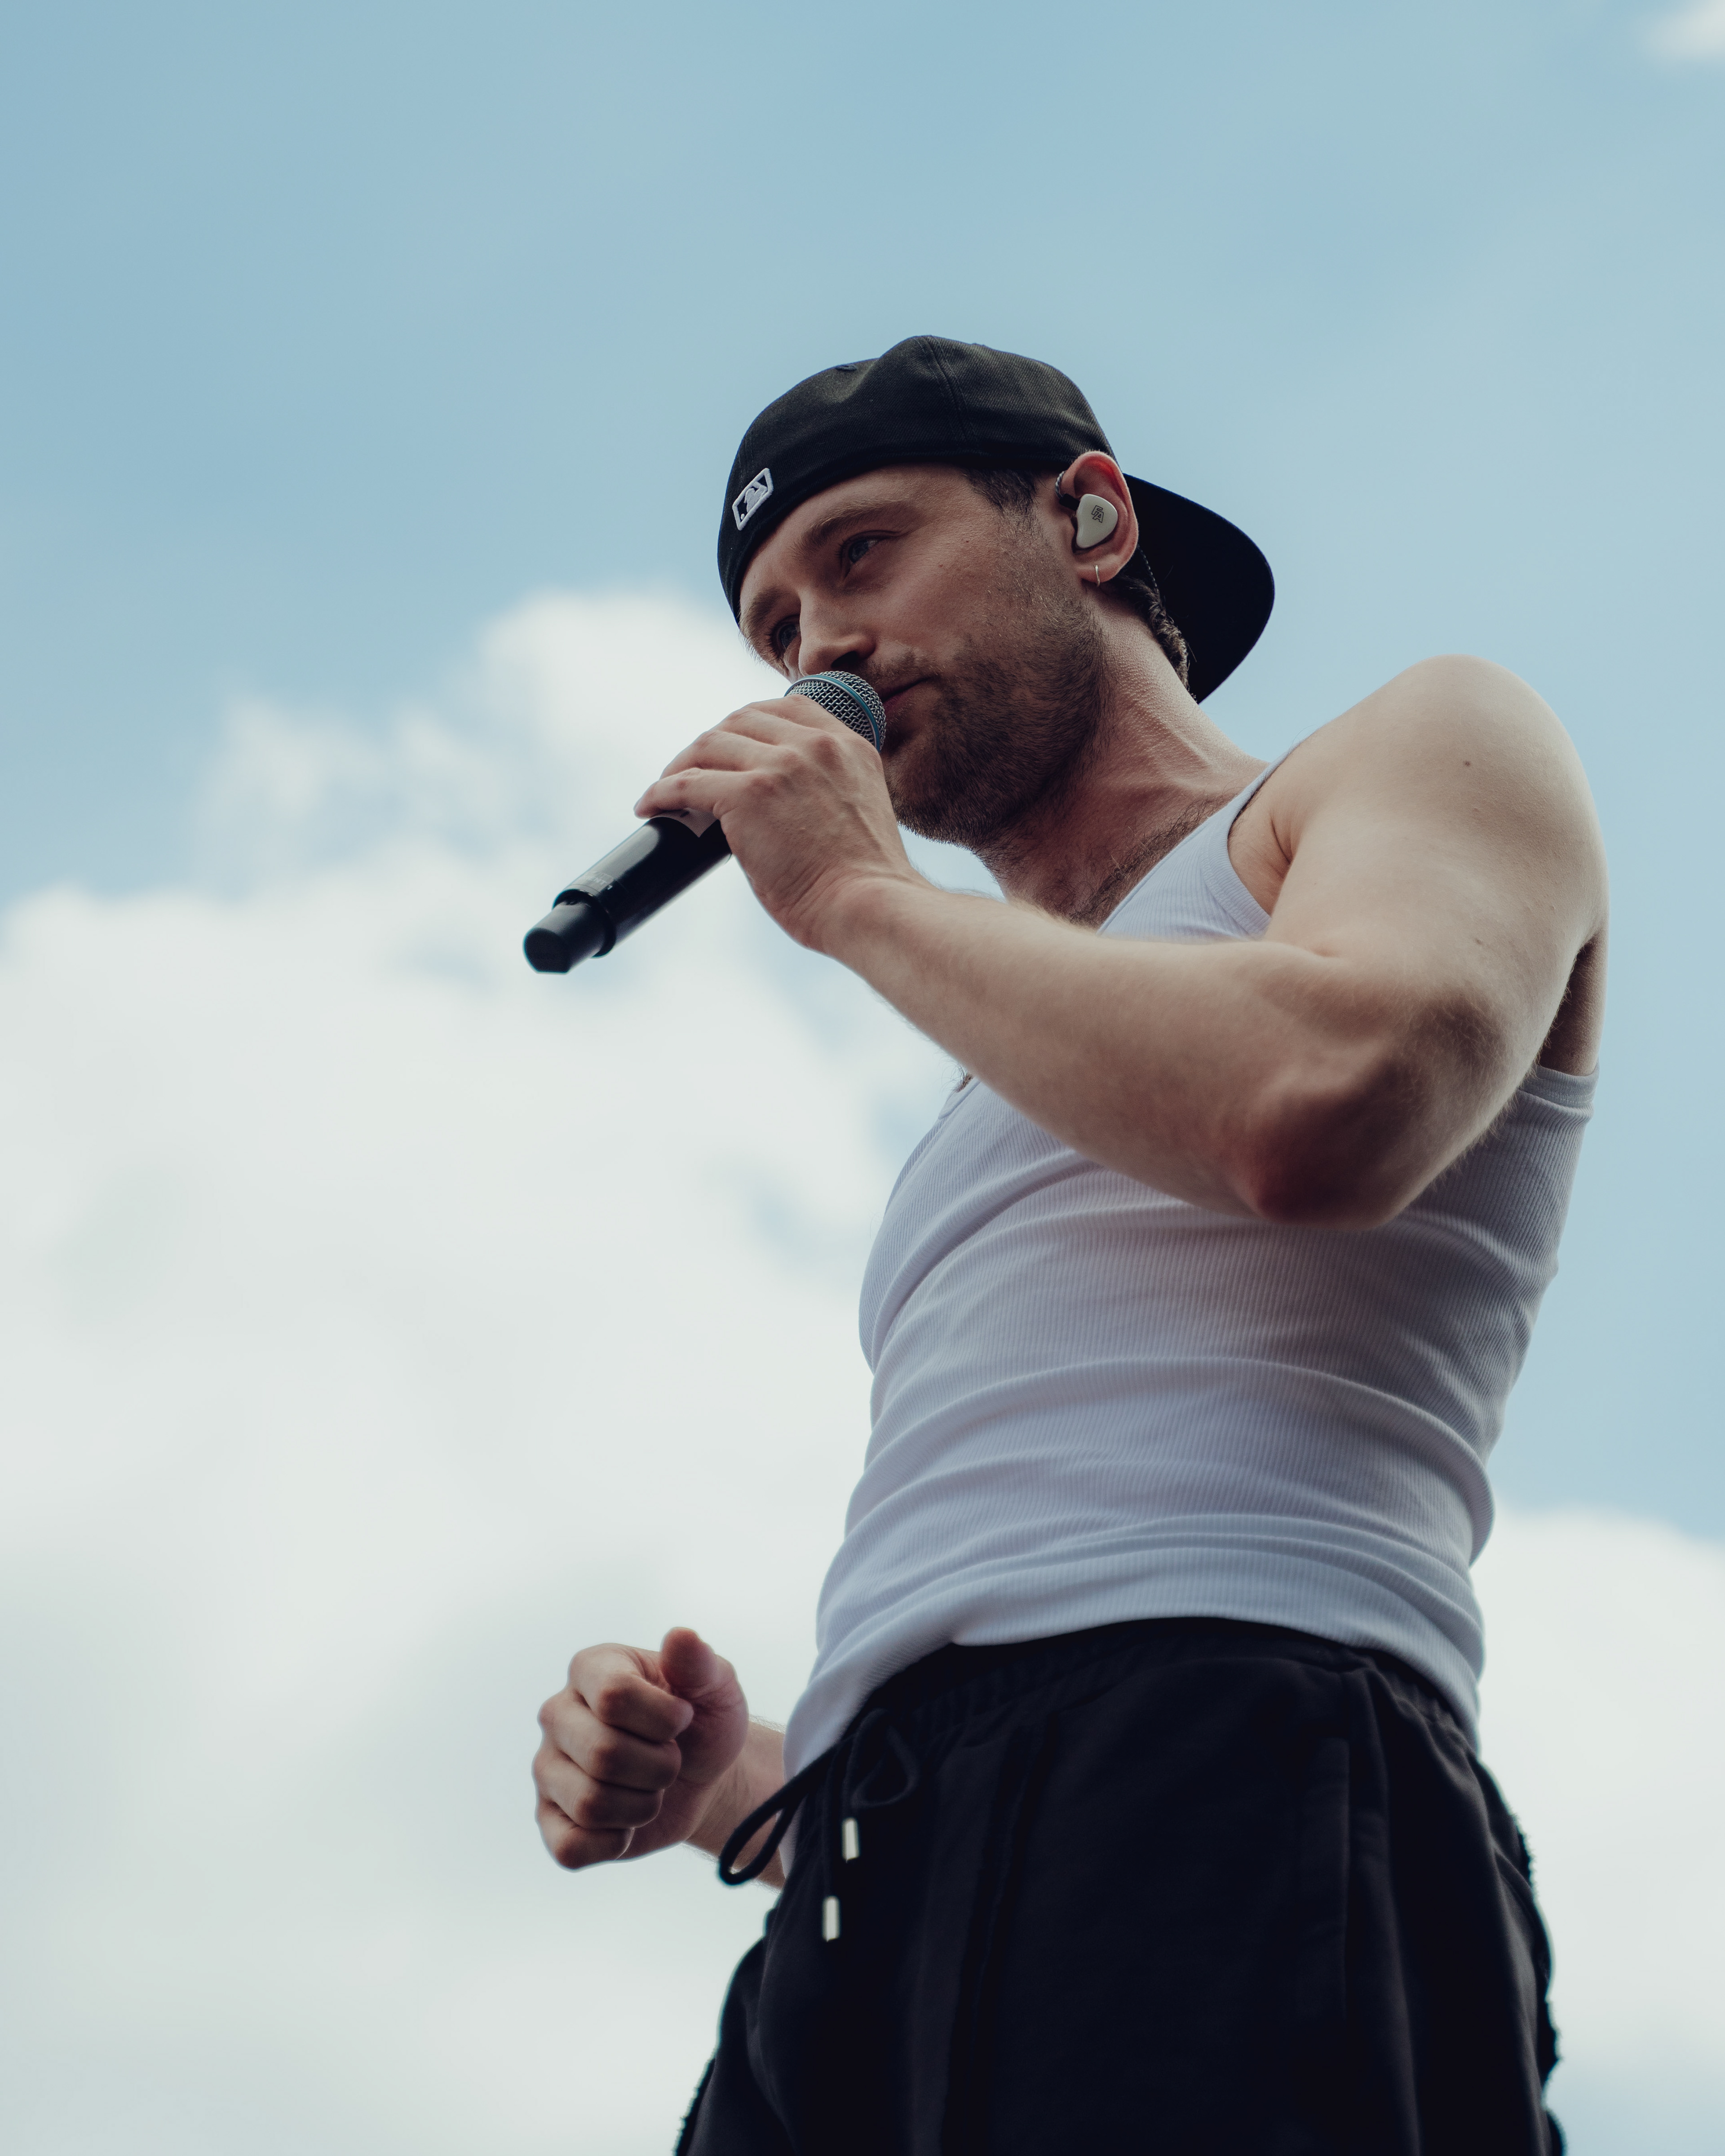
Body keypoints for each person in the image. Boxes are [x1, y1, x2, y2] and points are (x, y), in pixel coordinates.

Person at [531, 337, 1605, 2154]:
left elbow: (1326, 1104)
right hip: (864, 1890)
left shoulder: (1413, 751)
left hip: (1232, 1762)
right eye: (778, 629)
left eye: (864, 555)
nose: (822, 648)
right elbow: (1027, 1574)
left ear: (1091, 520)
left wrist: (854, 893)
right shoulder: (1002, 1070)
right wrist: (742, 1788)